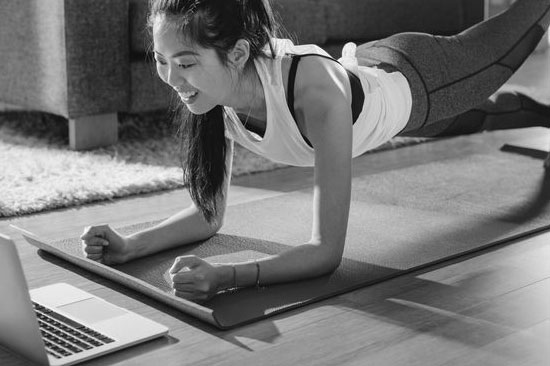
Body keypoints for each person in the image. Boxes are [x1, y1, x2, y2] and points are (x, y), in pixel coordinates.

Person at [81, 0, 550, 301]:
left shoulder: (314, 91)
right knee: (492, 117)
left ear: (240, 54)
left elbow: (325, 251)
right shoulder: (213, 96)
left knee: (525, 22)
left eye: (185, 63)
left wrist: (229, 277)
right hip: (381, 90)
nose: (172, 79)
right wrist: (130, 244)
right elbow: (208, 216)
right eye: (161, 61)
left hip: (422, 77)